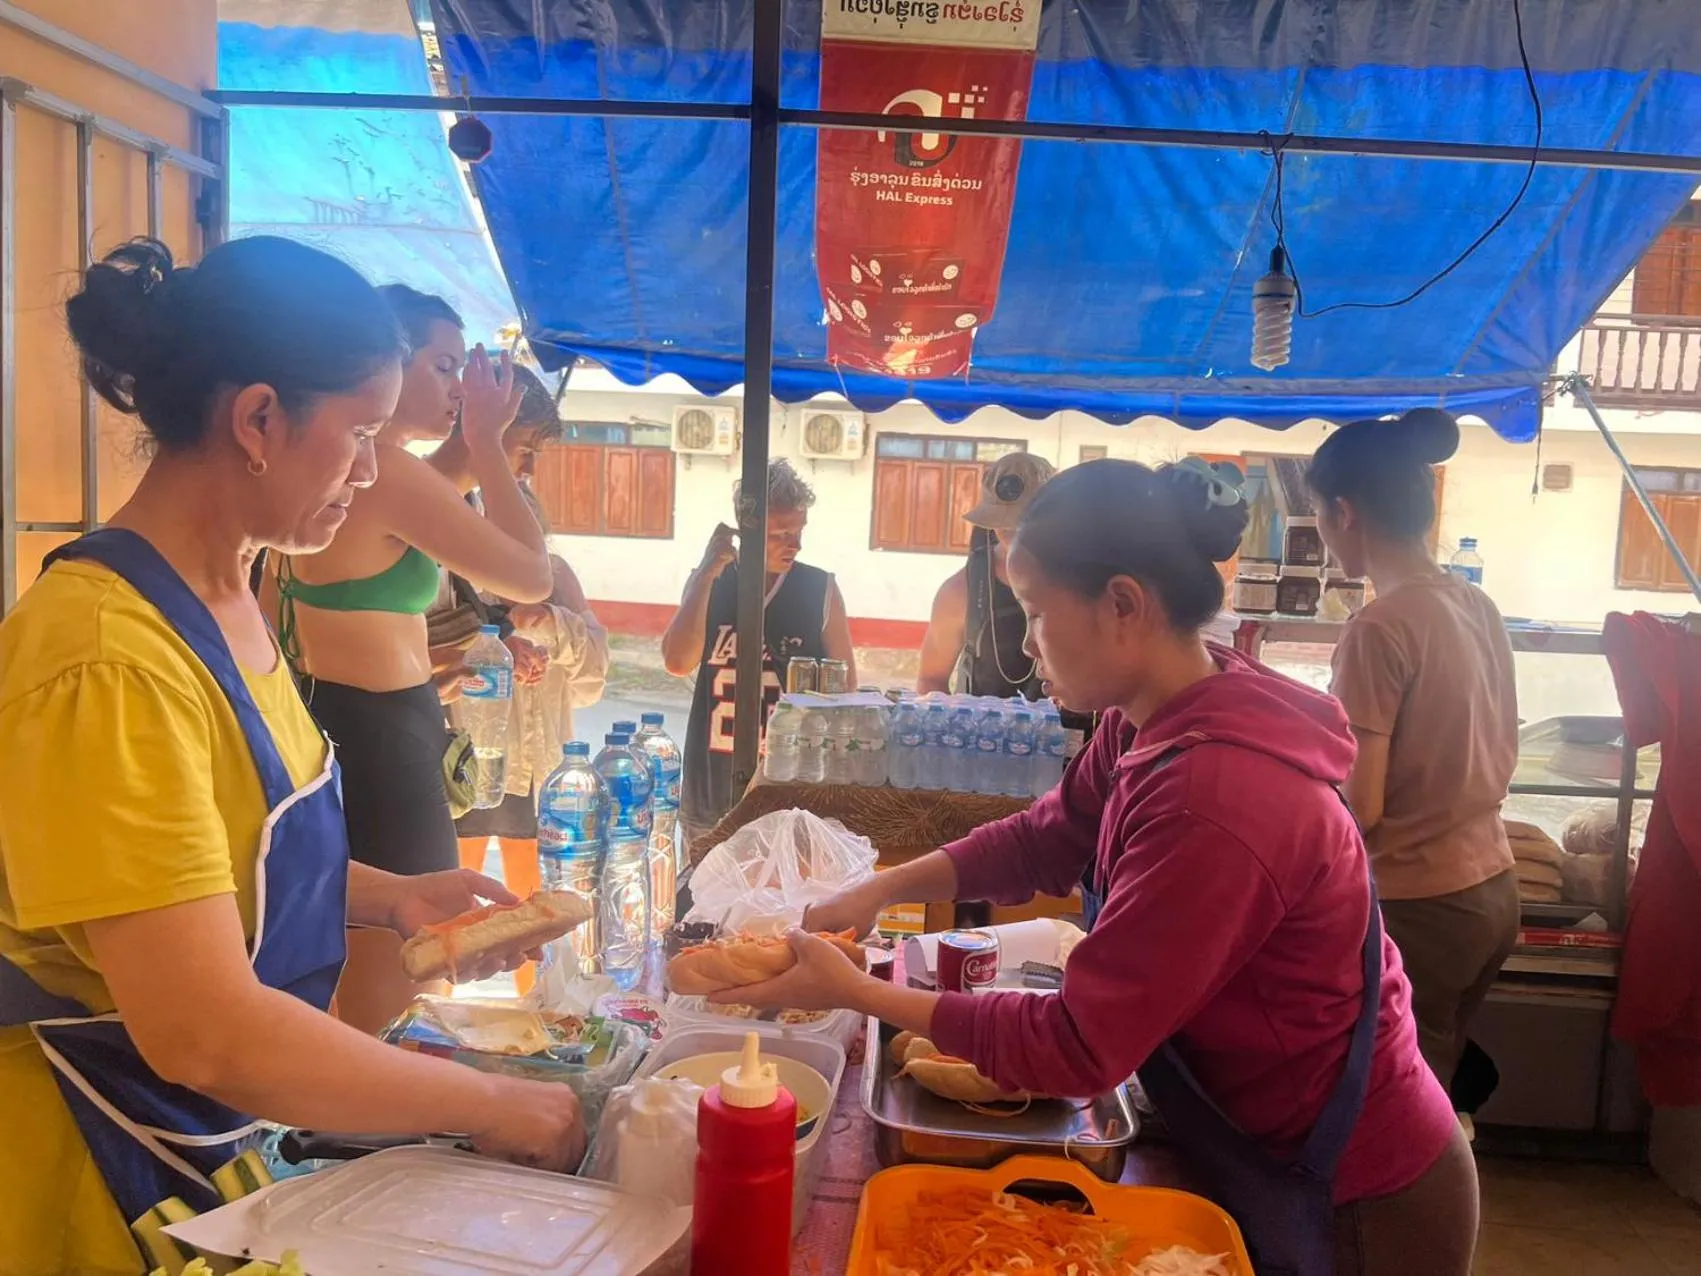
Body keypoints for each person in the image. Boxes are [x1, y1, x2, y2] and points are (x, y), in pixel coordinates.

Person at [717, 458, 1477, 1276]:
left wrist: (855, 992)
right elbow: (1045, 836)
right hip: (1249, 1128)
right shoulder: (1150, 716)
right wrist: (879, 889)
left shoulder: (1217, 795)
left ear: (1122, 605)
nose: (1024, 642)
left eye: (1036, 613)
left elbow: (1080, 1044)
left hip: (1357, 1194)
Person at [0, 238, 584, 1276]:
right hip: (88, 1172)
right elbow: (205, 1030)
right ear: (260, 419)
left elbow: (212, 859)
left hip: (200, 1143)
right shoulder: (106, 659)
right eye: (360, 433)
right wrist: (492, 1103)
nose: (371, 472)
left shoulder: (236, 604)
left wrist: (393, 896)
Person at [266, 285, 553, 1033]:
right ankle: (373, 1133)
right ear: (386, 364)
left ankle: (359, 1124)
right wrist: (491, 444)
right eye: (442, 366)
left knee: (371, 974)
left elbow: (439, 488)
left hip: (349, 722)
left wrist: (482, 437)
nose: (459, 387)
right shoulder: (383, 473)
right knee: (403, 987)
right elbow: (529, 575)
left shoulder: (362, 472)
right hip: (380, 746)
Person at [1308, 408, 1520, 1116]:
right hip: (1491, 890)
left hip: (1419, 906)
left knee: (1398, 1117)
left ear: (1343, 513)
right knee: (1436, 1096)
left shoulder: (1378, 627)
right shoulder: (1473, 602)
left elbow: (1358, 807)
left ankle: (1407, 1231)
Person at [432, 370, 610, 987]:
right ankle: (447, 1018)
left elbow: (592, 679)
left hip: (535, 776)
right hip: (459, 762)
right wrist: (492, 646)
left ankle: (538, 1012)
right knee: (446, 922)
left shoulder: (551, 575)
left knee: (535, 924)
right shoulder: (439, 559)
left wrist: (551, 623)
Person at [663, 460, 855, 846]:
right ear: (746, 530)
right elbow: (677, 661)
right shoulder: (711, 582)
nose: (795, 544)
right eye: (781, 533)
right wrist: (704, 575)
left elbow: (846, 691)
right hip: (712, 783)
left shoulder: (819, 589)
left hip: (788, 789)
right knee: (706, 903)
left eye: (799, 531)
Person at [916, 453, 1056, 698]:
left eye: (1023, 525)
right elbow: (931, 679)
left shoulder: (1081, 579)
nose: (1015, 536)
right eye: (1004, 527)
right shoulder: (962, 590)